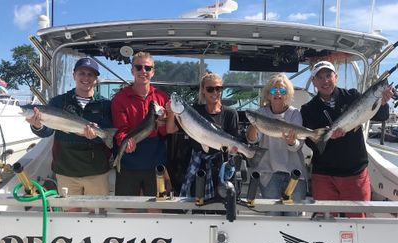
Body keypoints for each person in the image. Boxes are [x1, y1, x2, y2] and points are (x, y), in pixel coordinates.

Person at [300, 60, 394, 218]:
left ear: (335, 77)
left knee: (357, 222)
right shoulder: (308, 109)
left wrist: (383, 103)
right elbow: (311, 141)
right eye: (320, 77)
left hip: (355, 172)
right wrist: (329, 138)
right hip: (324, 174)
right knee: (325, 220)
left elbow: (381, 115)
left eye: (328, 75)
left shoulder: (353, 96)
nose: (325, 81)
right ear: (314, 82)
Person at [26, 57, 113, 210]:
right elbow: (47, 131)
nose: (86, 78)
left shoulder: (105, 104)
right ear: (74, 75)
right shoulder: (58, 102)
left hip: (96, 170)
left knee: (98, 213)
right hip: (66, 169)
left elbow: (108, 131)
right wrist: (38, 126)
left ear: (96, 79)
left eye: (90, 74)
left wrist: (97, 137)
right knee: (70, 214)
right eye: (82, 73)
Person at [167, 72, 239, 200]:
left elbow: (234, 141)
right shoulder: (193, 110)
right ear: (203, 91)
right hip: (197, 163)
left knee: (221, 204)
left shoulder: (231, 113)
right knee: (196, 202)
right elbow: (170, 129)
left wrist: (236, 151)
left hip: (221, 165)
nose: (215, 92)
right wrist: (171, 113)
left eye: (218, 88)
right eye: (210, 89)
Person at [246, 73, 307, 215]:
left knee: (293, 217)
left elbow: (298, 145)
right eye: (274, 90)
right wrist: (254, 126)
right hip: (269, 173)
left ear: (288, 94)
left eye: (282, 90)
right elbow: (253, 140)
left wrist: (292, 142)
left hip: (294, 174)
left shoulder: (294, 114)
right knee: (272, 216)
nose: (278, 93)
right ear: (268, 94)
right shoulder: (260, 113)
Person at [111, 51, 169, 196]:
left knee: (156, 207)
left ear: (153, 72)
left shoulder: (162, 97)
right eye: (138, 67)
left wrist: (163, 125)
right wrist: (125, 141)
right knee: (128, 209)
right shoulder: (120, 98)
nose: (143, 71)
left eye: (147, 68)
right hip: (129, 162)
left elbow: (165, 132)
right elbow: (120, 130)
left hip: (156, 161)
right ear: (132, 70)